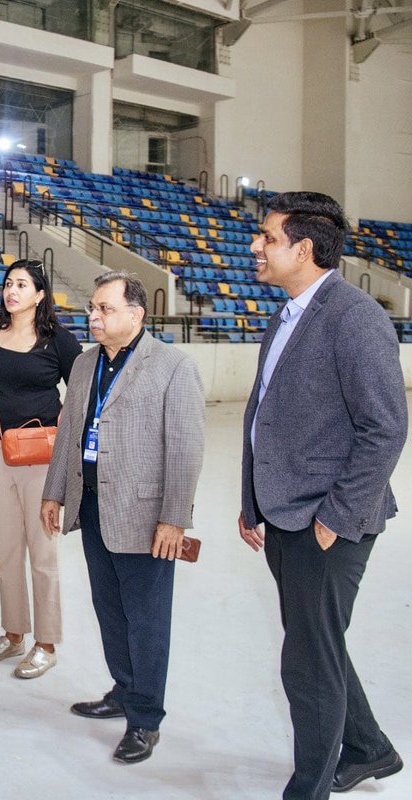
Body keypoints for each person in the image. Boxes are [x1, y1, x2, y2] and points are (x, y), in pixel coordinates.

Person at [239, 192, 407, 798]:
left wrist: (336, 514)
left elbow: (385, 427)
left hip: (327, 520)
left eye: (269, 236)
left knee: (307, 662)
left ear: (303, 248)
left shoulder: (355, 316)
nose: (257, 245)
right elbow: (265, 415)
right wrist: (251, 498)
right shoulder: (288, 314)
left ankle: (308, 787)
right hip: (285, 512)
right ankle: (371, 750)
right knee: (319, 642)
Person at [40, 270, 205, 765]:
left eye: (104, 308)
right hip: (92, 507)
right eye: (93, 307)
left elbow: (186, 448)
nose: (93, 316)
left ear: (136, 314)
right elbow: (69, 429)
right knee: (110, 609)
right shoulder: (88, 363)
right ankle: (123, 690)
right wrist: (54, 493)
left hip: (146, 515)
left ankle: (145, 719)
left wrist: (174, 518)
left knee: (147, 620)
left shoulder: (173, 366)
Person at [0, 260, 81, 679]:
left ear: (39, 295)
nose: (11, 290)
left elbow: (80, 392)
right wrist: (5, 408)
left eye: (21, 284)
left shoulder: (60, 342)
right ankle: (13, 632)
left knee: (43, 551)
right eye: (7, 283)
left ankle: (46, 643)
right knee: (6, 550)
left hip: (42, 456)